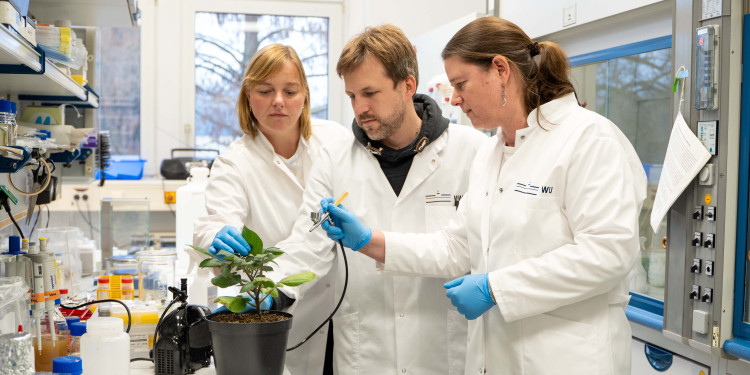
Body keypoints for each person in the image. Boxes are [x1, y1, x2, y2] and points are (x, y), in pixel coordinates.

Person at [319, 17, 647, 375]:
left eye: (461, 84)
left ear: (500, 70)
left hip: (568, 357)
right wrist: (370, 241)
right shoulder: (493, 154)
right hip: (497, 357)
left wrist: (496, 287)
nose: (455, 99)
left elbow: (608, 253)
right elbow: (458, 247)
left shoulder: (588, 139)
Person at [219, 25, 488, 374]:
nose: (360, 109)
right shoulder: (335, 159)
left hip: (442, 349)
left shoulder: (472, 152)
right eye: (351, 96)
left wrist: (368, 241)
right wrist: (270, 290)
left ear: (408, 85)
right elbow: (307, 242)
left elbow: (467, 248)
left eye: (370, 93)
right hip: (367, 353)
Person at [192, 44, 350, 375]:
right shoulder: (234, 163)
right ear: (249, 96)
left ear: (304, 96)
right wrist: (216, 236)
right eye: (265, 90)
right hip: (281, 310)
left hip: (348, 305)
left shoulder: (335, 141)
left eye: (290, 90)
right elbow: (214, 223)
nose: (278, 100)